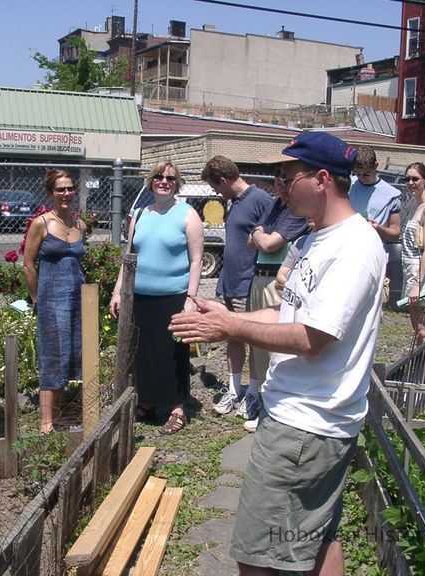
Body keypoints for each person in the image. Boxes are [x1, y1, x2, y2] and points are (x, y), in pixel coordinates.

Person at [170, 131, 386, 575]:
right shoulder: (318, 239)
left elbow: (311, 339)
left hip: (305, 428)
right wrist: (224, 318)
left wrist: (231, 326)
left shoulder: (352, 248)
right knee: (318, 539)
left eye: (287, 179)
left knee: (258, 556)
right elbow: (289, 315)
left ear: (322, 179)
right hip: (306, 421)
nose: (279, 190)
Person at [110, 162, 204, 435]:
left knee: (171, 353)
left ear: (177, 184)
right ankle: (148, 402)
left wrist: (191, 298)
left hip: (173, 296)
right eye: (160, 177)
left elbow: (197, 260)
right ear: (151, 182)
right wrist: (118, 291)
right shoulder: (140, 214)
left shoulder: (187, 215)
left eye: (171, 178)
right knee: (142, 352)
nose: (165, 182)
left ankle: (176, 408)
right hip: (140, 296)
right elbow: (127, 258)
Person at [200, 155, 272, 416]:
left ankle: (253, 392)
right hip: (229, 281)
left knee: (251, 338)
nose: (215, 192)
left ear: (223, 180)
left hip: (248, 281)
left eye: (215, 187)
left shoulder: (260, 200)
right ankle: (233, 389)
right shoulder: (234, 201)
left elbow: (273, 239)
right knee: (232, 336)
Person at [24, 169, 87, 434]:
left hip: (77, 299)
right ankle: (46, 421)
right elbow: (28, 263)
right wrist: (37, 297)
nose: (66, 194)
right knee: (53, 357)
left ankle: (60, 415)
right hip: (51, 300)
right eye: (60, 189)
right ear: (50, 193)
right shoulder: (42, 223)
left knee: (71, 355)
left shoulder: (80, 224)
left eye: (70, 188)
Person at [241, 189, 308, 428]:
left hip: (276, 281)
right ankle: (261, 404)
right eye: (278, 176)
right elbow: (251, 242)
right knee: (258, 346)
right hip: (260, 277)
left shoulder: (296, 210)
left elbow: (268, 244)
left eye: (286, 178)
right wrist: (261, 234)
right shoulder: (275, 205)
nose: (280, 183)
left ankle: (273, 411)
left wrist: (261, 232)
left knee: (275, 348)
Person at [401, 161, 425, 346]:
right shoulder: (415, 205)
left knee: (423, 331)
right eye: (407, 178)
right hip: (410, 268)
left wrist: (417, 284)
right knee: (418, 329)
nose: (411, 182)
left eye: (415, 178)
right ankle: (424, 370)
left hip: (420, 272)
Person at [349, 145, 402, 243]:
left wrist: (379, 229)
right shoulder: (348, 185)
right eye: (357, 174)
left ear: (376, 166)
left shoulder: (391, 195)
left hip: (373, 249)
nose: (361, 177)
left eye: (366, 174)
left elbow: (395, 233)